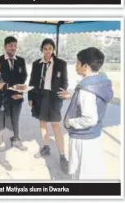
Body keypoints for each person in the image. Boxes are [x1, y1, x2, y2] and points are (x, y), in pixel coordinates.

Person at [60, 48, 114, 180]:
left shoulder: (86, 90)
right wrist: (72, 96)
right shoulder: (100, 82)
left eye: (77, 63)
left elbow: (90, 119)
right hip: (93, 136)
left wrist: (69, 122)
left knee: (81, 175)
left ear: (85, 67)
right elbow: (93, 99)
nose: (75, 66)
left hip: (82, 139)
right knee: (91, 173)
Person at [28, 38, 69, 173]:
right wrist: (30, 97)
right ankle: (46, 147)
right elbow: (32, 81)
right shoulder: (36, 64)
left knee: (56, 125)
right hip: (40, 96)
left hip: (54, 98)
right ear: (42, 49)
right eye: (45, 48)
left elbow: (65, 82)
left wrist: (62, 93)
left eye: (50, 48)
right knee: (42, 123)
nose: (47, 51)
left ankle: (62, 156)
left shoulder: (61, 63)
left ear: (53, 50)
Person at [0, 36, 28, 151]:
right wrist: (10, 92)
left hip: (18, 96)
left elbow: (24, 76)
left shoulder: (21, 60)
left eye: (15, 46)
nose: (13, 48)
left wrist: (19, 89)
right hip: (3, 97)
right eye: (10, 45)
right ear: (5, 47)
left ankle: (16, 140)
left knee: (15, 119)